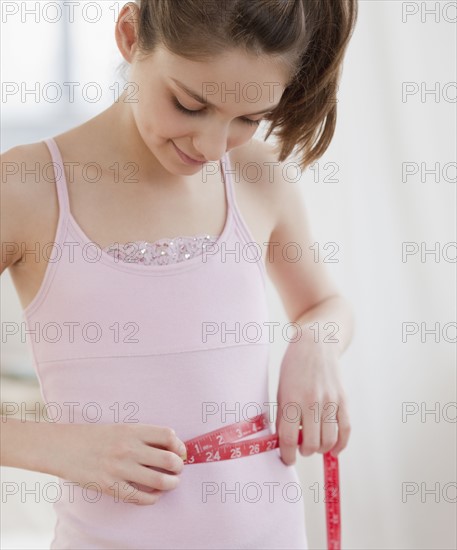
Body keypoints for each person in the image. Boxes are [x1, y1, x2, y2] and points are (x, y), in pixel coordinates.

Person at [0, 1, 358, 548]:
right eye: (190, 104)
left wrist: (317, 342)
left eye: (247, 119)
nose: (212, 147)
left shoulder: (257, 177)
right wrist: (58, 447)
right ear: (128, 34)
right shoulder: (28, 187)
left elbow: (324, 305)